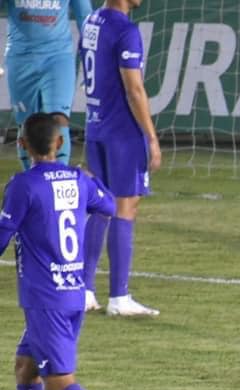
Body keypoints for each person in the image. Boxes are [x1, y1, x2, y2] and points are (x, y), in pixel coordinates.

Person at [0, 112, 134, 390]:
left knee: (59, 381)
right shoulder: (78, 179)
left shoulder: (23, 186)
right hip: (72, 293)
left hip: (45, 299)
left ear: (23, 145)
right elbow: (107, 206)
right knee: (26, 366)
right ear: (60, 145)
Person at [79, 0, 162, 316]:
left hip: (96, 127)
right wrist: (151, 138)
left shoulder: (91, 22)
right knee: (125, 207)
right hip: (123, 132)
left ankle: (86, 291)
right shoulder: (125, 30)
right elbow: (134, 90)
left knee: (100, 208)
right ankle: (119, 297)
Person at [3, 0, 91, 170]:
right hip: (20, 59)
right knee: (27, 125)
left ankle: (59, 177)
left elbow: (85, 18)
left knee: (59, 120)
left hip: (58, 58)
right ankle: (31, 178)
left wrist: (93, 62)